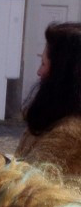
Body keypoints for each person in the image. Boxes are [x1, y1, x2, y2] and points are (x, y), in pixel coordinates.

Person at [16, 22, 81, 179]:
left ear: (62, 74)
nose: (39, 72)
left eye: (43, 63)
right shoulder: (50, 119)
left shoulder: (67, 137)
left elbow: (27, 190)